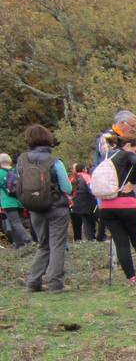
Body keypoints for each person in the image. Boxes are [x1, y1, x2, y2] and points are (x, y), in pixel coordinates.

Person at [18, 124, 73, 293]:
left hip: (34, 207)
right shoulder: (54, 161)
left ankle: (33, 282)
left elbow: (18, 181)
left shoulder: (22, 159)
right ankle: (55, 284)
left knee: (43, 245)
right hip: (56, 208)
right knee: (57, 244)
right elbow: (67, 187)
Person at [97, 134, 136, 286]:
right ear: (128, 146)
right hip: (127, 203)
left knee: (121, 244)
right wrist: (133, 180)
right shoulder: (127, 155)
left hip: (106, 206)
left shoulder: (105, 156)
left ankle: (131, 279)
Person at [0, 152, 32, 248]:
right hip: (19, 201)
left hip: (8, 202)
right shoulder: (16, 171)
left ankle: (28, 240)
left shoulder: (0, 173)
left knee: (15, 223)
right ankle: (19, 245)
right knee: (16, 223)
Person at [70, 163, 98, 242]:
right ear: (83, 169)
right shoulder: (86, 176)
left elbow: (69, 190)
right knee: (89, 220)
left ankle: (77, 239)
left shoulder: (72, 178)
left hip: (75, 201)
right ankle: (91, 238)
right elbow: (91, 188)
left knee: (77, 222)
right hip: (87, 201)